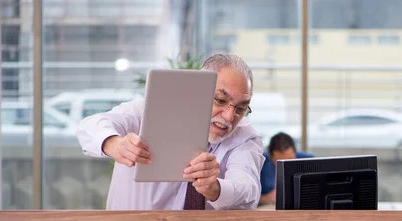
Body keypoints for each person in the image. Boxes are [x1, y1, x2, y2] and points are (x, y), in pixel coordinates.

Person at [76, 53, 264, 210]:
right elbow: (89, 127)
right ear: (197, 91)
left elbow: (248, 190)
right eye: (221, 100)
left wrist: (215, 189)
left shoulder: (244, 137)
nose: (230, 116)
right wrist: (115, 144)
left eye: (241, 108)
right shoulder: (150, 110)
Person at [259, 132, 313, 205]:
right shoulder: (260, 163)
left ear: (295, 152)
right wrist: (264, 198)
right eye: (279, 162)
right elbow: (246, 197)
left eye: (290, 160)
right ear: (270, 156)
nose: (286, 166)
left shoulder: (309, 161)